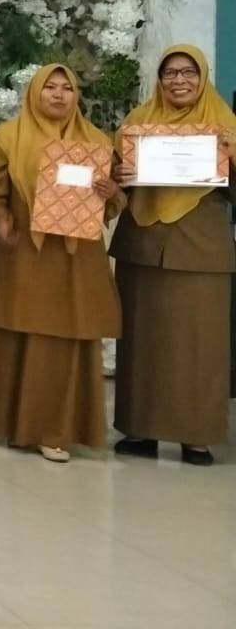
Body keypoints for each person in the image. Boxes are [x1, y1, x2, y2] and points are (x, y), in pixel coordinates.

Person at [0, 65, 120, 463]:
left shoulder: (96, 141)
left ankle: (56, 430)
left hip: (75, 259)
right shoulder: (8, 137)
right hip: (23, 252)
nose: (58, 94)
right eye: (49, 87)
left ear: (76, 95)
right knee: (19, 337)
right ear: (34, 93)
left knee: (64, 342)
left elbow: (111, 205)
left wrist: (110, 191)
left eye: (66, 88)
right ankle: (15, 425)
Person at [111, 45, 236, 466]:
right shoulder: (138, 121)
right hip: (142, 247)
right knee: (141, 342)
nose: (179, 81)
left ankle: (195, 436)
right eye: (170, 73)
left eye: (188, 73)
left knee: (199, 346)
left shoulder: (225, 124)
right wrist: (120, 176)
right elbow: (110, 183)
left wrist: (233, 155)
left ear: (203, 77)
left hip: (201, 250)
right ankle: (139, 430)